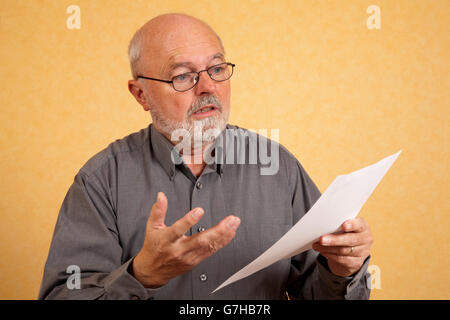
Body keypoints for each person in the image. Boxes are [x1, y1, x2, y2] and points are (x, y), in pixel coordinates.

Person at [38, 13, 373, 300]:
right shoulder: (100, 181)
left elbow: (315, 289)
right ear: (141, 94)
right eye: (183, 76)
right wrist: (141, 276)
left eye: (216, 69)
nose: (207, 87)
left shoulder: (278, 166)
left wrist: (343, 268)